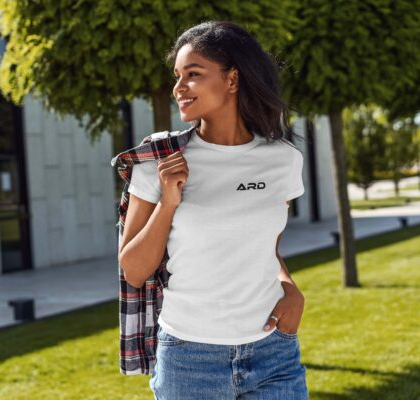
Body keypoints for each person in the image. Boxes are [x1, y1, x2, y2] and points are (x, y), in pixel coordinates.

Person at [117, 20, 308, 399]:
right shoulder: (159, 159)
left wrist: (290, 288)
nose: (178, 88)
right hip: (189, 358)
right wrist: (169, 201)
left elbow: (265, 247)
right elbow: (134, 271)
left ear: (232, 79)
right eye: (177, 76)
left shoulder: (282, 160)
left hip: (273, 352)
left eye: (193, 74)